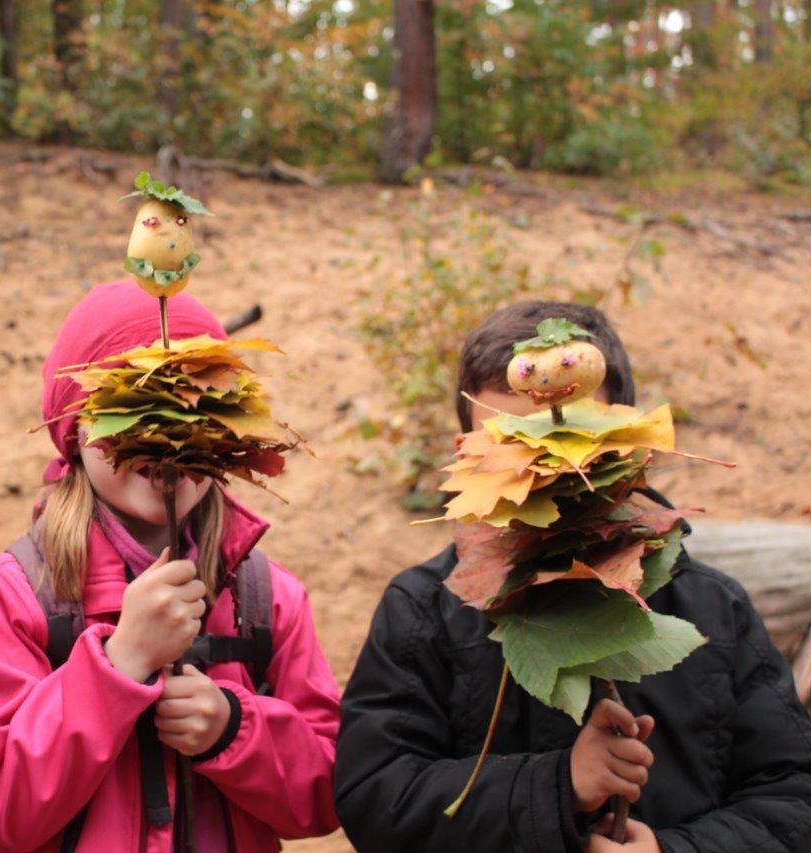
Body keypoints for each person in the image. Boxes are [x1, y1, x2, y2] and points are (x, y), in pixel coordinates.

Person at [335, 300, 811, 853]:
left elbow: (794, 799)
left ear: (626, 436)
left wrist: (674, 850)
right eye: (512, 446)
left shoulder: (712, 607)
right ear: (467, 452)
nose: (544, 474)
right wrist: (559, 785)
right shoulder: (425, 609)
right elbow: (376, 800)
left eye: (571, 444)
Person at [0, 281, 341, 851]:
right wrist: (120, 664)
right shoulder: (15, 593)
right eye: (133, 410)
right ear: (75, 430)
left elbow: (329, 795)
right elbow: (7, 807)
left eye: (200, 412)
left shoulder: (267, 596)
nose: (167, 441)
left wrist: (234, 730)